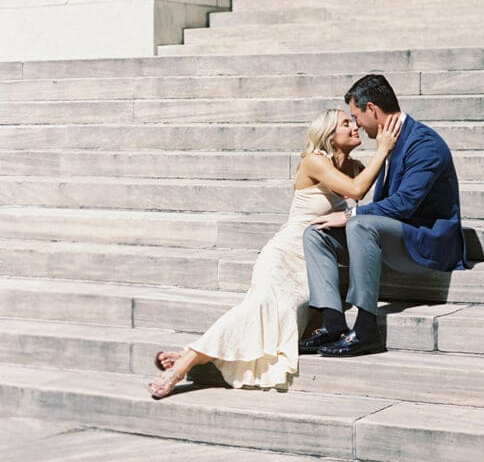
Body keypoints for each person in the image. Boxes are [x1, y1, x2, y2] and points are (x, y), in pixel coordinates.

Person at [148, 107, 399, 399]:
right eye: (346, 124)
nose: (355, 127)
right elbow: (356, 191)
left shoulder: (354, 166)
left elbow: (368, 191)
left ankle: (187, 353)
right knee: (261, 306)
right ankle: (181, 367)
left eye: (353, 122)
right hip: (284, 256)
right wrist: (382, 149)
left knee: (287, 320)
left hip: (314, 267)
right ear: (330, 136)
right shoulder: (313, 162)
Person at [299, 73, 468, 358]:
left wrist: (352, 214)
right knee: (316, 234)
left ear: (373, 110)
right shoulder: (387, 144)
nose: (357, 125)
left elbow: (404, 204)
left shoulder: (424, 143)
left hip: (427, 243)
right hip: (393, 236)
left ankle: (366, 329)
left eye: (357, 116)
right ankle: (333, 323)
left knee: (360, 224)